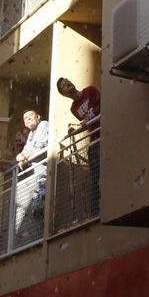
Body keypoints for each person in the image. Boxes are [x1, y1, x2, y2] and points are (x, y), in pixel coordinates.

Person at [57, 78, 101, 215]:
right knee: (95, 175)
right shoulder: (74, 109)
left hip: (105, 133)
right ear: (63, 94)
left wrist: (88, 119)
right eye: (63, 85)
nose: (67, 83)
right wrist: (74, 131)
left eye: (67, 81)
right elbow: (86, 124)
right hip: (94, 139)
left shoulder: (90, 91)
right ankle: (96, 210)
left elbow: (103, 105)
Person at [12, 109, 50, 236]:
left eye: (30, 116)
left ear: (38, 117)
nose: (27, 119)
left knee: (40, 206)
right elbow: (24, 152)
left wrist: (23, 157)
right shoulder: (31, 135)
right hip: (38, 176)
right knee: (36, 209)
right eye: (25, 119)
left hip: (46, 173)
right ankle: (40, 235)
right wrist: (19, 157)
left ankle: (43, 234)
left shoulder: (43, 125)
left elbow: (39, 147)